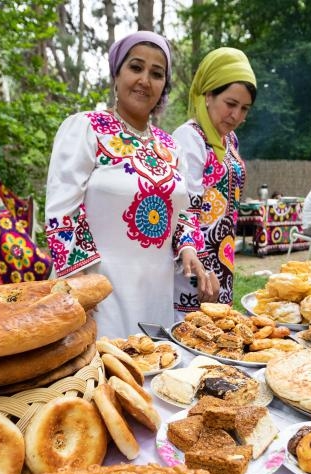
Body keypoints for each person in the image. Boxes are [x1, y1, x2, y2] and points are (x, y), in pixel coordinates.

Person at [44, 31, 211, 338]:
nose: (145, 80)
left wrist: (189, 248)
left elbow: (185, 213)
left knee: (152, 371)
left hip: (156, 291)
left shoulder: (170, 146)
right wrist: (78, 285)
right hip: (98, 290)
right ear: (117, 73)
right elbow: (61, 215)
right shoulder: (87, 128)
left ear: (164, 86)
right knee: (101, 377)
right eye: (136, 67)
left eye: (157, 74)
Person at [172, 47, 256, 316]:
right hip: (194, 264)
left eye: (244, 109)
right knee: (192, 336)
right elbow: (187, 209)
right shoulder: (190, 138)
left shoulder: (229, 140)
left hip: (223, 258)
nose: (237, 116)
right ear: (208, 95)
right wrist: (204, 270)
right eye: (230, 104)